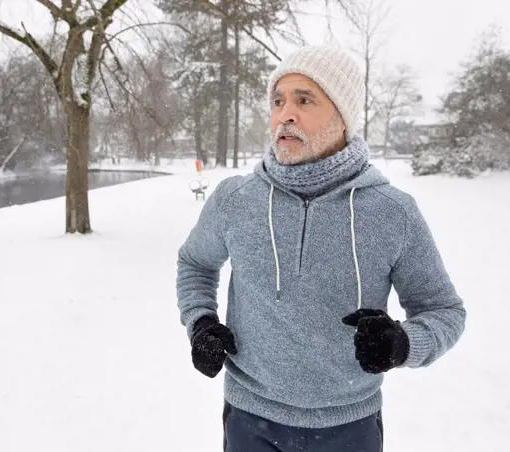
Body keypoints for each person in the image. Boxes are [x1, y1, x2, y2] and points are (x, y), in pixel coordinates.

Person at [175, 45, 466, 452]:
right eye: (278, 101)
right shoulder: (235, 199)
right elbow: (195, 262)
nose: (284, 115)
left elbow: (444, 312)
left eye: (304, 100)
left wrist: (402, 343)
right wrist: (201, 321)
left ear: (342, 115)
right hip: (249, 420)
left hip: (349, 426)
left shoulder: (392, 212)